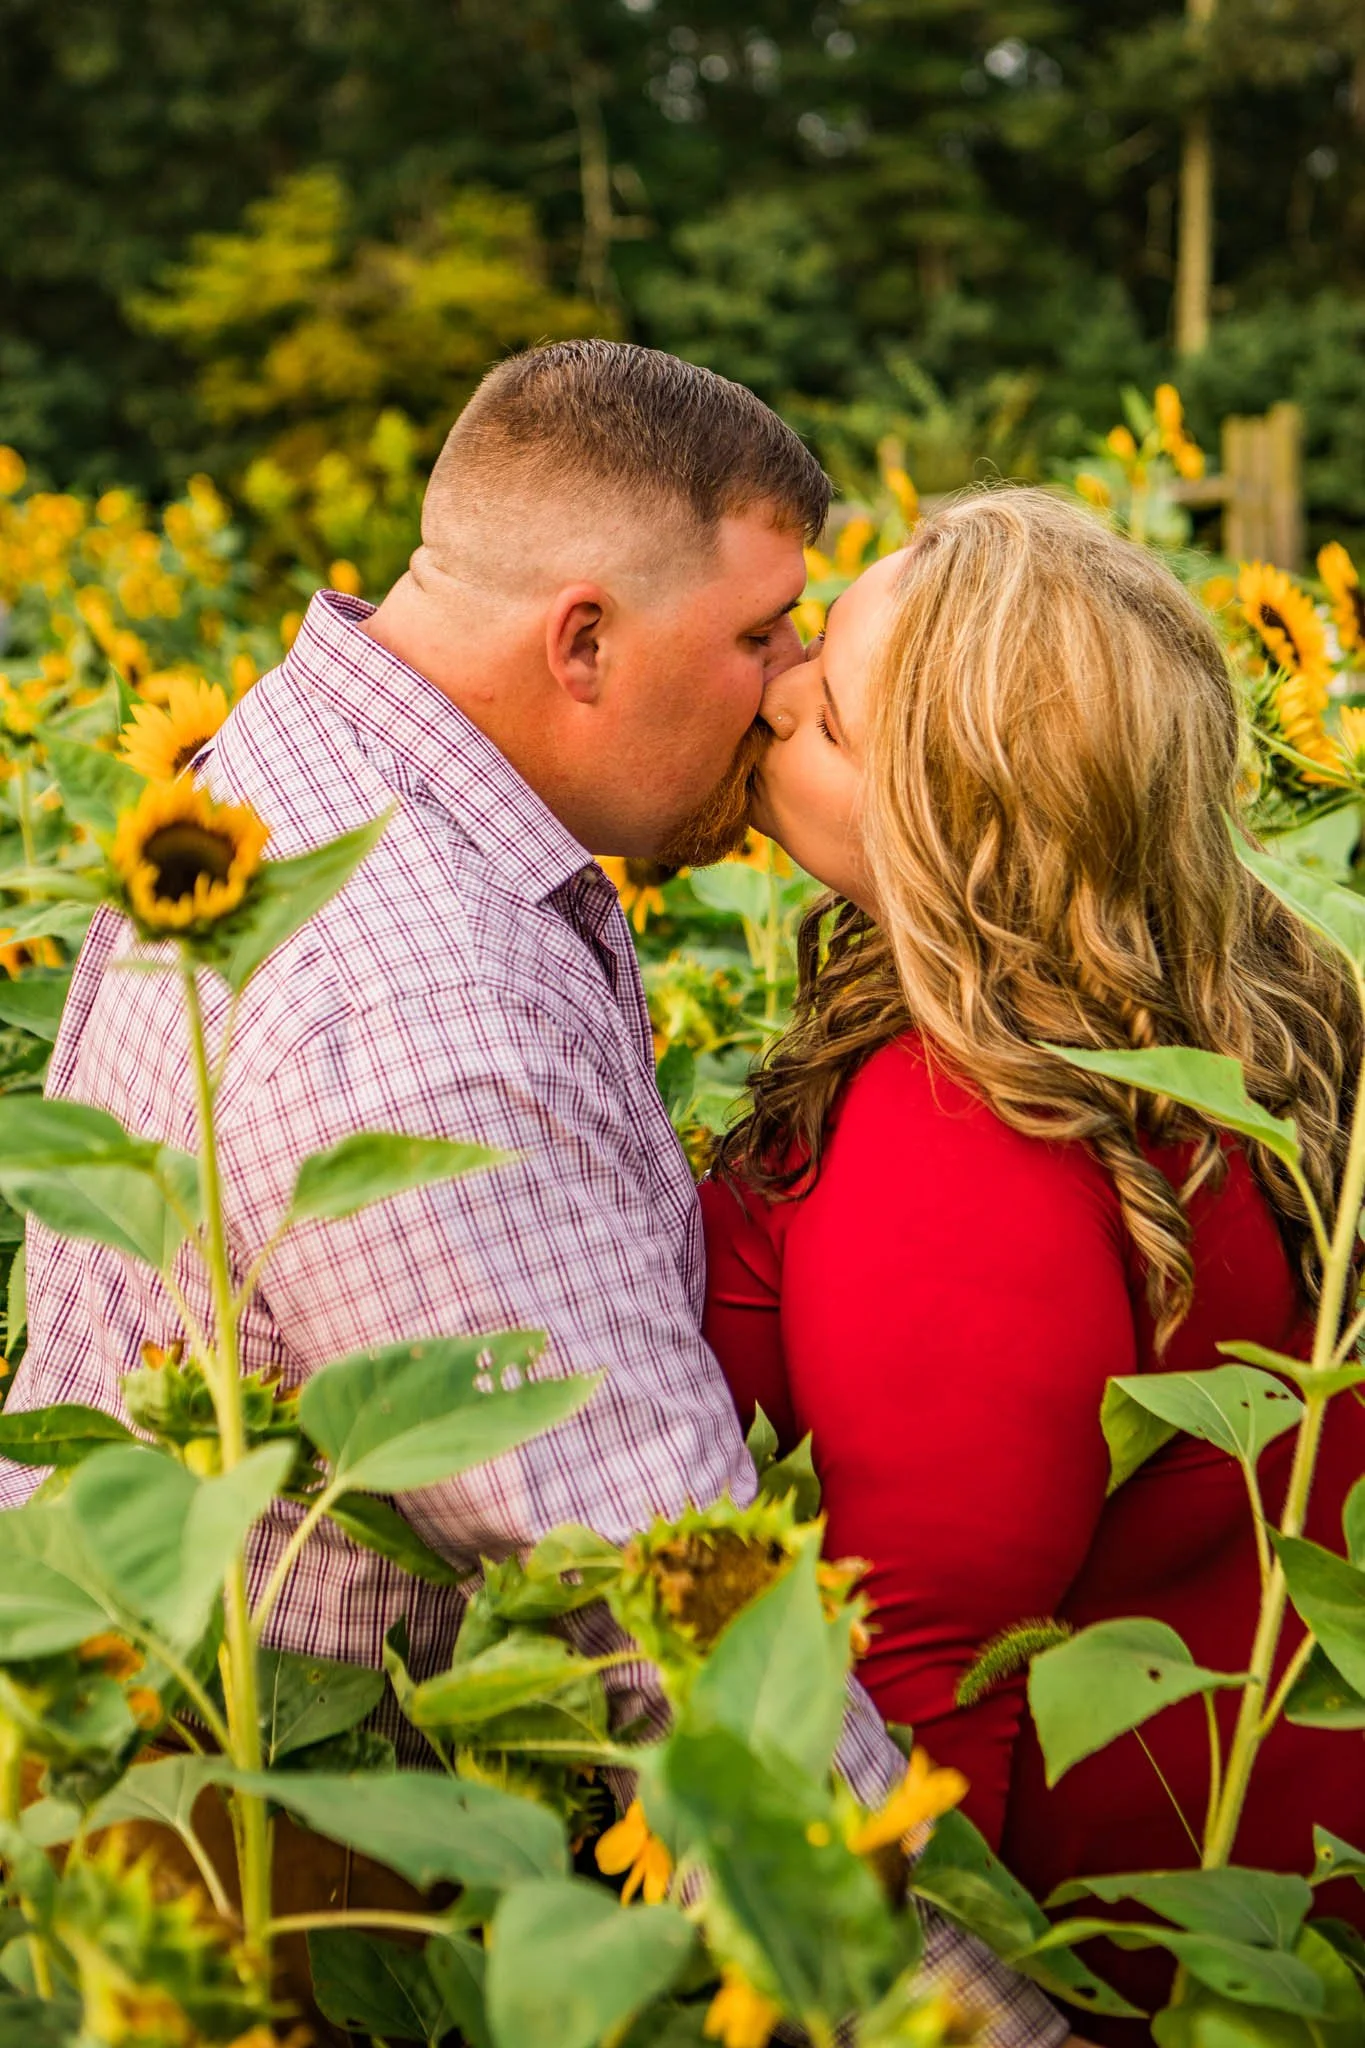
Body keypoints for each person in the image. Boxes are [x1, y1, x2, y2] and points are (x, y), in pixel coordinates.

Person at [0, 344, 1070, 2047]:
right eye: (758, 633)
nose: (790, 685)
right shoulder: (428, 1000)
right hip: (294, 1874)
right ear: (582, 640)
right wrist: (971, 2013)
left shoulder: (336, 777)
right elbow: (664, 1599)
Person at [702, 485, 1365, 2039]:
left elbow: (918, 1694)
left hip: (1099, 1956)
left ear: (958, 827)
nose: (779, 684)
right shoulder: (1192, 1010)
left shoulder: (974, 1129)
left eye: (837, 715)